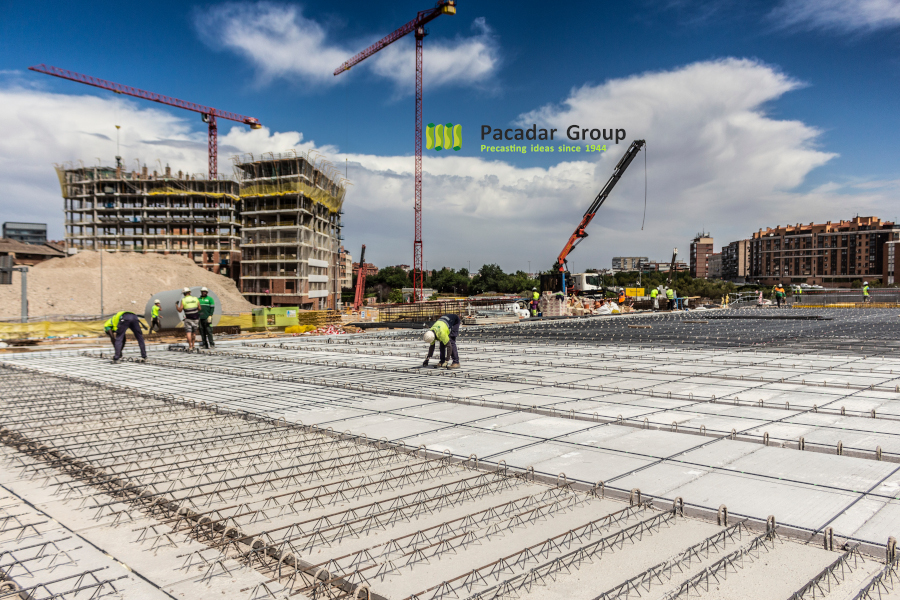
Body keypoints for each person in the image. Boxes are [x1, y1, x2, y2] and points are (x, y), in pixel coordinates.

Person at [176, 287, 201, 351]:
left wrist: (176, 305)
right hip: (196, 318)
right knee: (194, 332)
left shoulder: (183, 300)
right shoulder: (195, 298)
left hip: (188, 318)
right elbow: (199, 308)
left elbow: (180, 310)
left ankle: (190, 346)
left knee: (188, 332)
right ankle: (193, 345)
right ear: (190, 292)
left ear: (184, 294)